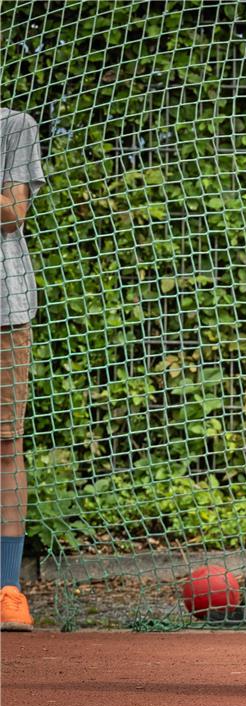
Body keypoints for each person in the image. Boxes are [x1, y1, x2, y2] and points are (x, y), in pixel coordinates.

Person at [1, 107, 45, 632]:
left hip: (5, 311)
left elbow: (12, 211)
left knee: (6, 445)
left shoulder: (14, 126)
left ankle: (8, 587)